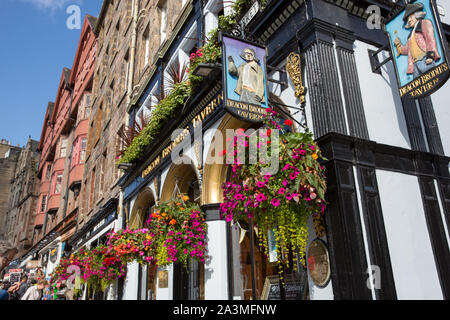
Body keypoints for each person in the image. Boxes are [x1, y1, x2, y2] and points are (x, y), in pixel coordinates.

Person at [393, 2, 440, 78]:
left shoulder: (424, 23)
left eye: (410, 17)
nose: (409, 20)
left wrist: (430, 56)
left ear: (417, 15)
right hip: (415, 65)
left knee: (433, 81)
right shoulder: (411, 34)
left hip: (425, 60)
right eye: (408, 19)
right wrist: (398, 45)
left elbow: (430, 40)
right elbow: (407, 50)